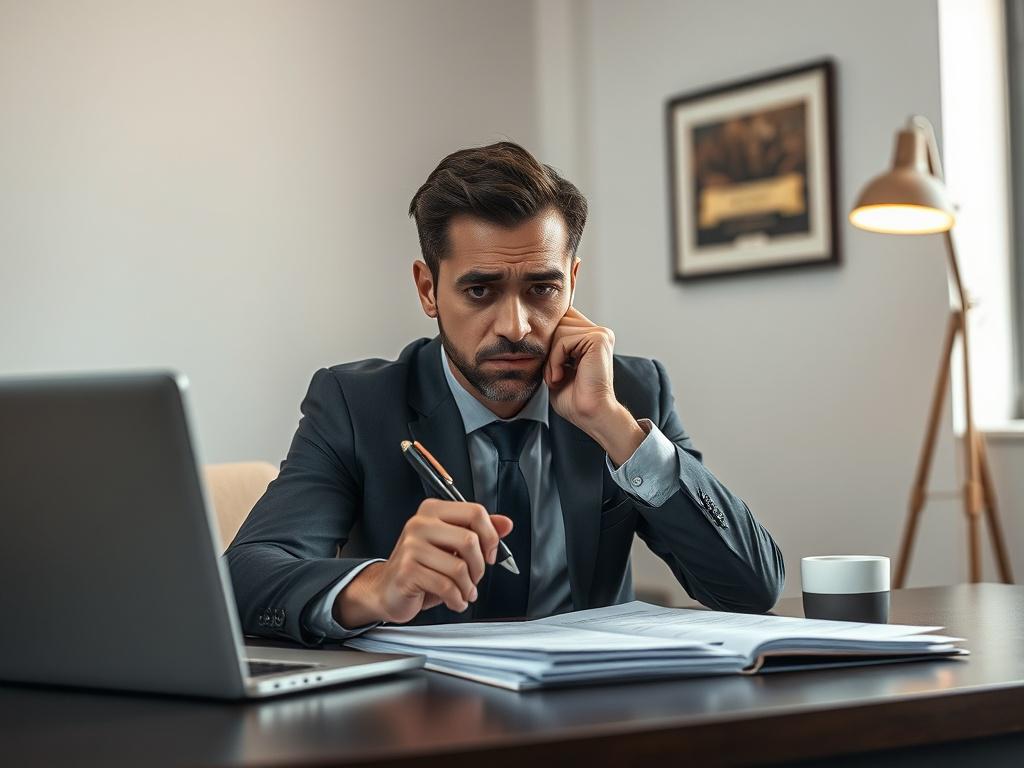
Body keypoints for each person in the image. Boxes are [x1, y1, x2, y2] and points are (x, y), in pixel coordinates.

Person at [226, 141, 784, 644]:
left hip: (597, 717)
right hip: (425, 723)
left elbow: (751, 590)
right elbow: (245, 575)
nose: (515, 325)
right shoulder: (355, 404)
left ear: (572, 281)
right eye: (480, 290)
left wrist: (614, 428)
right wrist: (377, 586)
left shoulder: (631, 392)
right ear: (429, 289)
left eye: (542, 288)